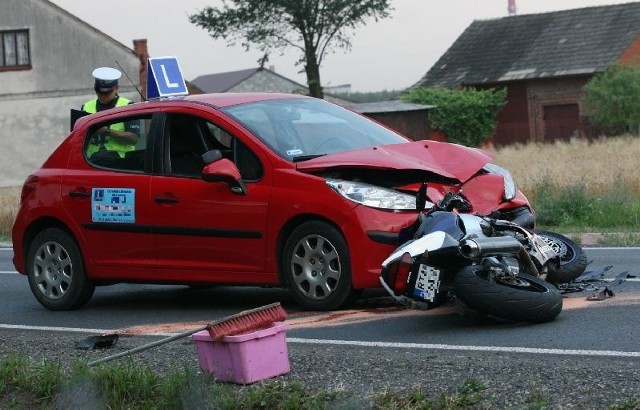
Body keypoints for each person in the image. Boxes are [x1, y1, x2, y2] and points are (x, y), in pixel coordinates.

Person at [82, 67, 139, 158]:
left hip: (120, 164)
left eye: (107, 93)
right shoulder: (86, 107)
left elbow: (134, 139)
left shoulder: (128, 106)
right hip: (92, 162)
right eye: (99, 92)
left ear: (116, 88)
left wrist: (108, 131)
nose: (102, 96)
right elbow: (78, 139)